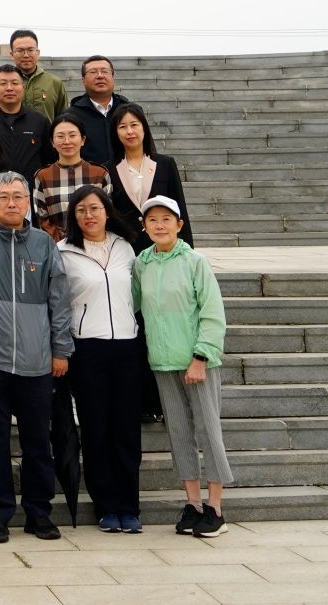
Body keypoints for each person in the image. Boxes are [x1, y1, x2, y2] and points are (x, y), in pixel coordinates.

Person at [0, 171, 73, 544]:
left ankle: (39, 512)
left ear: (28, 202)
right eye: (4, 196)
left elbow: (59, 301)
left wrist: (61, 349)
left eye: (18, 196)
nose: (11, 203)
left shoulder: (43, 244)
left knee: (38, 442)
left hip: (36, 361)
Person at [133, 195, 230, 537]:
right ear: (144, 227)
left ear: (179, 224)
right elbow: (133, 304)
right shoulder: (142, 263)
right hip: (163, 363)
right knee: (179, 433)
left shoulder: (194, 261)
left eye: (166, 219)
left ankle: (215, 508)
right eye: (152, 220)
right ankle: (193, 504)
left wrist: (201, 356)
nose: (159, 225)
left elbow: (212, 312)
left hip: (196, 362)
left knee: (208, 432)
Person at [57, 185, 147, 534]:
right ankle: (106, 506)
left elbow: (136, 293)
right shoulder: (63, 252)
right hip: (87, 348)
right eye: (81, 210)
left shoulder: (125, 247)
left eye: (94, 208)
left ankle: (129, 506)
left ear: (107, 211)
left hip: (126, 346)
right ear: (73, 216)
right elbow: (58, 304)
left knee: (126, 431)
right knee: (96, 429)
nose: (89, 216)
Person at [108, 103, 193, 245]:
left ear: (144, 127)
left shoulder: (165, 164)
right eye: (123, 127)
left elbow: (179, 207)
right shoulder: (108, 169)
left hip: (161, 244)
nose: (129, 131)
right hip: (124, 245)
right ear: (115, 132)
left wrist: (186, 248)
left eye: (134, 125)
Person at [34, 112, 113, 239]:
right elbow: (42, 220)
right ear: (52, 142)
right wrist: (63, 243)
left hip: (95, 242)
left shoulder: (99, 173)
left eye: (72, 135)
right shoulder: (43, 176)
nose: (67, 141)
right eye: (60, 136)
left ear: (83, 140)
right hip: (58, 245)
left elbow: (107, 214)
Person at [0, 64, 54, 176]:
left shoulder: (40, 121)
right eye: (3, 83)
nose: (9, 88)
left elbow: (49, 160)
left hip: (31, 186)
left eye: (15, 83)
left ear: (23, 88)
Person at [68, 56, 132, 168]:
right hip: (88, 176)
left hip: (129, 175)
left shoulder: (130, 111)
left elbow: (147, 147)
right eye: (93, 72)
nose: (100, 76)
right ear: (83, 80)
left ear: (113, 77)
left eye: (105, 71)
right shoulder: (71, 116)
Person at [7, 30, 68, 123]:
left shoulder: (55, 83)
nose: (26, 55)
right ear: (12, 54)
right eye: (20, 51)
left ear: (38, 53)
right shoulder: (1, 84)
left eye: (30, 50)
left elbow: (64, 119)